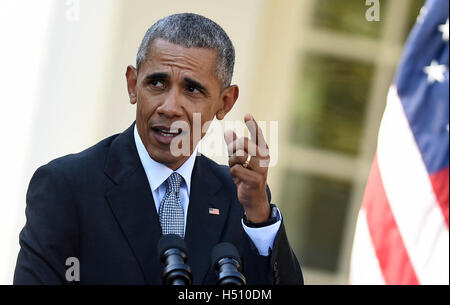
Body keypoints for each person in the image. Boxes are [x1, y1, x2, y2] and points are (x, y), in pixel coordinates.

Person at [14, 13, 303, 285]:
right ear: (132, 85)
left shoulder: (242, 199)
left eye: (192, 90)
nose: (169, 107)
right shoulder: (67, 186)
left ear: (225, 102)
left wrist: (259, 217)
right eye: (157, 83)